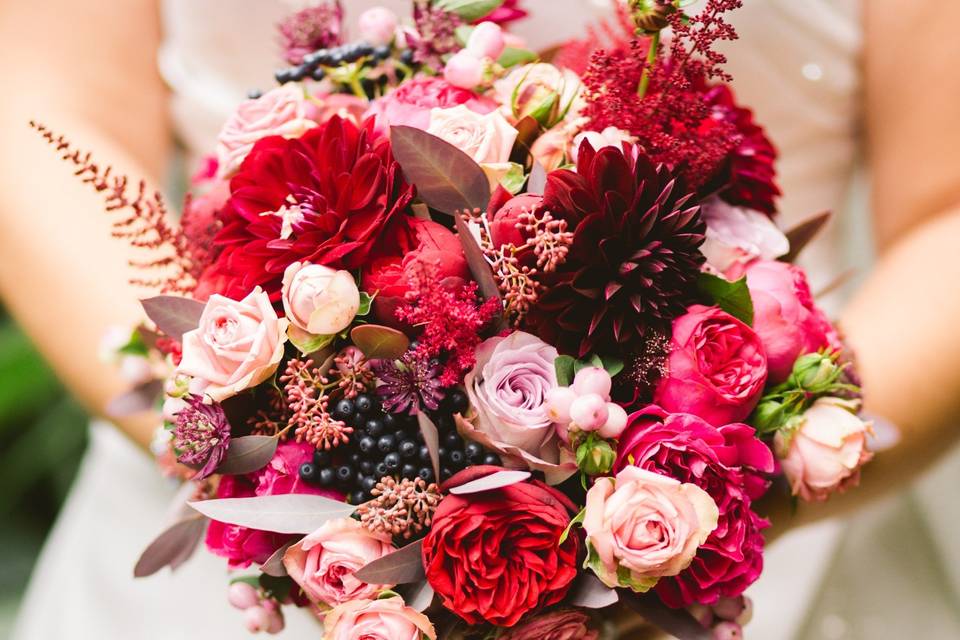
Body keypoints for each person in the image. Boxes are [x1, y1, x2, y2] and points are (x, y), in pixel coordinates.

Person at [1, 0, 959, 638]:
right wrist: (234, 426)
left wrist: (675, 533)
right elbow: (41, 112)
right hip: (243, 525)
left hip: (743, 521)